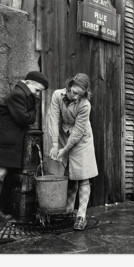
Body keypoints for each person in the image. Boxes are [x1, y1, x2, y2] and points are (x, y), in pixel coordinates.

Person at [0, 71, 49, 225]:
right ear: (28, 83)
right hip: (3, 138)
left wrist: (30, 111)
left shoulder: (23, 94)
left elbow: (25, 117)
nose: (37, 94)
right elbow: (24, 118)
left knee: (3, 172)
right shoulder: (18, 94)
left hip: (8, 138)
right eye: (37, 90)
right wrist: (33, 111)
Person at [49, 73, 98, 230]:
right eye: (74, 93)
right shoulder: (57, 95)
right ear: (69, 87)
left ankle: (81, 216)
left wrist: (64, 150)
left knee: (82, 175)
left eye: (80, 94)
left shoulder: (85, 105)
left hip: (82, 139)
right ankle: (69, 211)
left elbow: (77, 132)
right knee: (70, 175)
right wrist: (55, 143)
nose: (76, 97)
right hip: (63, 135)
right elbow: (54, 119)